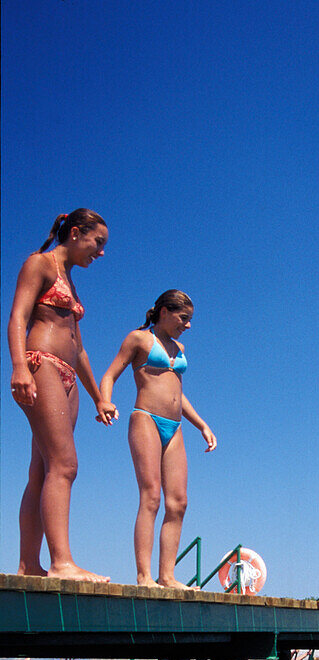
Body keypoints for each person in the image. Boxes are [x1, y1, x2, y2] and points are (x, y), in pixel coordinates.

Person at [7, 209, 116, 581]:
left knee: (42, 470)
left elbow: (80, 348)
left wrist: (100, 397)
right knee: (65, 465)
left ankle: (28, 565)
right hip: (42, 364)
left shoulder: (71, 279)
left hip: (69, 377)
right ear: (75, 232)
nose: (100, 253)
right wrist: (20, 367)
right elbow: (18, 318)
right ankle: (62, 563)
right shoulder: (40, 264)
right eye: (97, 243)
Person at [100, 290, 216, 587]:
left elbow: (177, 391)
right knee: (150, 496)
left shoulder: (179, 346)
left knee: (178, 503)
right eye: (183, 318)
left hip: (175, 426)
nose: (187, 325)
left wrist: (201, 425)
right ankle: (144, 576)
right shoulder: (139, 339)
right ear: (164, 312)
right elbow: (111, 374)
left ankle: (167, 575)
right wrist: (105, 401)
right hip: (145, 419)